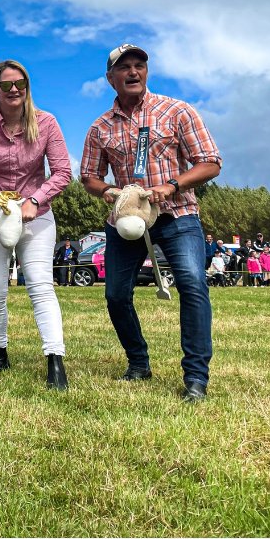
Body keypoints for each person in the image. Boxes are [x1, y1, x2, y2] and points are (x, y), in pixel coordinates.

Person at [80, 43, 222, 403]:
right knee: (115, 295)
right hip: (127, 220)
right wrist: (112, 193)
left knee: (191, 283)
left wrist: (170, 186)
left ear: (146, 71)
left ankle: (195, 377)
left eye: (139, 65)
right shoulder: (99, 127)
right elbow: (88, 177)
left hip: (178, 214)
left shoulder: (177, 111)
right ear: (111, 78)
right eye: (123, 67)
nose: (132, 71)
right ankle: (138, 362)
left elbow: (210, 162)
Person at [0, 59, 73, 389]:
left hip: (36, 215)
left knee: (41, 284)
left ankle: (55, 360)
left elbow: (62, 172)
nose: (14, 90)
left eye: (20, 84)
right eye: (6, 85)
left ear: (27, 87)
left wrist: (36, 200)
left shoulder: (46, 123)